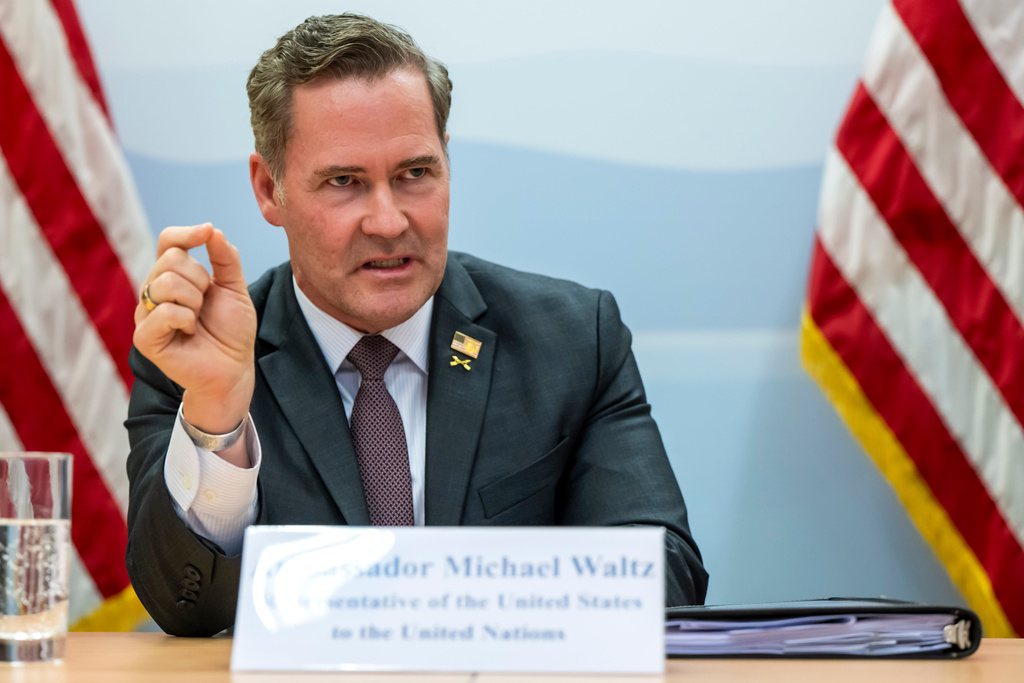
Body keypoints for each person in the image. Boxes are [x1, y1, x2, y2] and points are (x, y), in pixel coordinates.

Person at [125, 13, 708, 637]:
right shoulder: (202, 357)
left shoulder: (573, 339)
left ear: (447, 166)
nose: (388, 220)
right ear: (270, 189)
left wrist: (433, 612)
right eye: (345, 182)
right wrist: (217, 415)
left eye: (414, 174)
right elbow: (185, 607)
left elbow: (663, 579)